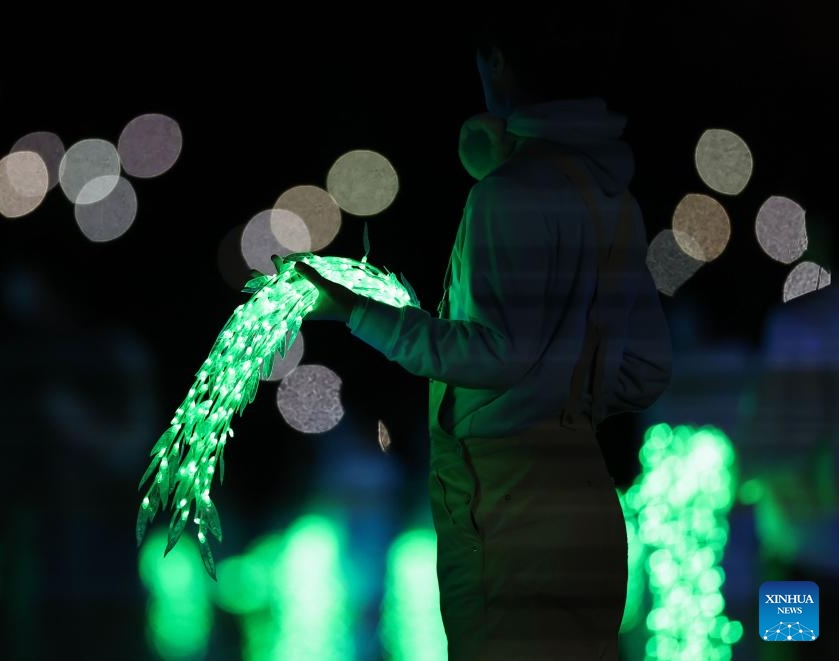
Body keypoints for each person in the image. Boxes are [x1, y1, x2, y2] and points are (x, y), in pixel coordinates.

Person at [285, 4, 673, 658]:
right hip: (587, 500)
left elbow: (494, 352)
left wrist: (353, 311)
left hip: (506, 510)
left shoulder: (507, 192)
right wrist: (565, 401)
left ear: (497, 61)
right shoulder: (614, 198)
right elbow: (646, 368)